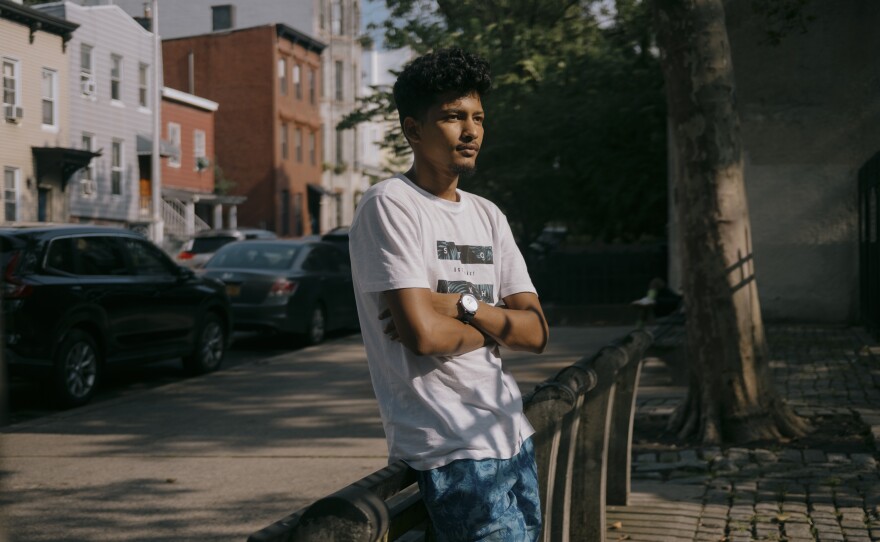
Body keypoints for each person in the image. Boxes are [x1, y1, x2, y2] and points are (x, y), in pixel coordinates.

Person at [348, 47, 550, 542]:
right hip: (449, 447)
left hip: (512, 434)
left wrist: (463, 307)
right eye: (453, 116)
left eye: (478, 117)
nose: (471, 130)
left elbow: (537, 333)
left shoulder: (487, 214)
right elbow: (424, 337)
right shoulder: (390, 205)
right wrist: (497, 324)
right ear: (413, 129)